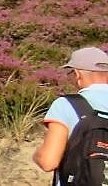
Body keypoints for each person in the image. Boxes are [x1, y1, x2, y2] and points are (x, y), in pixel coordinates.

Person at [33, 47, 108, 182]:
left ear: (77, 74)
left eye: (70, 73)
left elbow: (48, 162)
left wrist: (36, 155)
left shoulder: (66, 105)